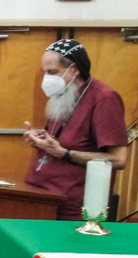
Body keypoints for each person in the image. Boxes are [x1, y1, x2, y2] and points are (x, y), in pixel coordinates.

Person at [23, 39, 128, 220]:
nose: (47, 78)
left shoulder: (105, 99)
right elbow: (61, 141)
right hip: (41, 199)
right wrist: (40, 142)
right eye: (45, 72)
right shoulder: (65, 94)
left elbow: (119, 159)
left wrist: (65, 154)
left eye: (52, 72)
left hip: (71, 208)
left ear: (74, 69)